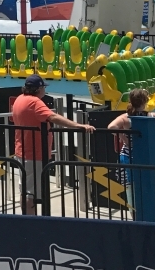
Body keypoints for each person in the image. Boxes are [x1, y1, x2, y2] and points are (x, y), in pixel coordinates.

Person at [11, 74, 94, 215]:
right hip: (34, 153)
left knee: (25, 189)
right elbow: (52, 117)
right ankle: (30, 223)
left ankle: (26, 219)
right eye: (43, 87)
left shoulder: (19, 99)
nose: (45, 91)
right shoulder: (34, 102)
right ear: (38, 89)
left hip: (22, 150)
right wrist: (77, 125)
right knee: (31, 193)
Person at [108, 88, 155, 196]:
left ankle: (134, 212)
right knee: (149, 189)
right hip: (147, 156)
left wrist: (124, 138)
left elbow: (111, 127)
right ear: (145, 102)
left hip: (128, 155)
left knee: (132, 191)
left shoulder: (126, 118)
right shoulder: (152, 116)